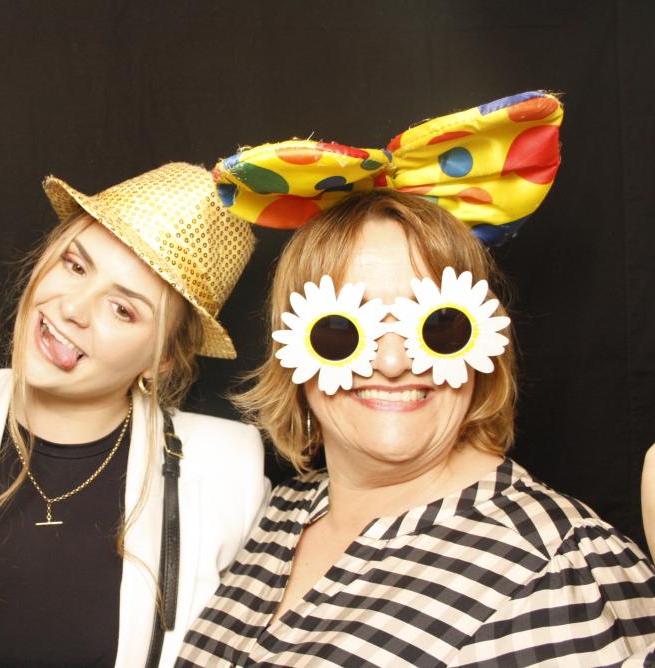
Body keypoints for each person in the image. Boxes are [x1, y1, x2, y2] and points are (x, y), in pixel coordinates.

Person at [178, 93, 655, 665]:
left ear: (485, 338)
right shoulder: (278, 514)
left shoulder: (561, 571)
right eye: (342, 331)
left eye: (437, 327)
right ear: (291, 350)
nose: (391, 362)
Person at [0, 162, 268, 667]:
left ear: (165, 360)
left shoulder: (228, 469)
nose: (72, 308)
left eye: (123, 309)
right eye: (75, 265)